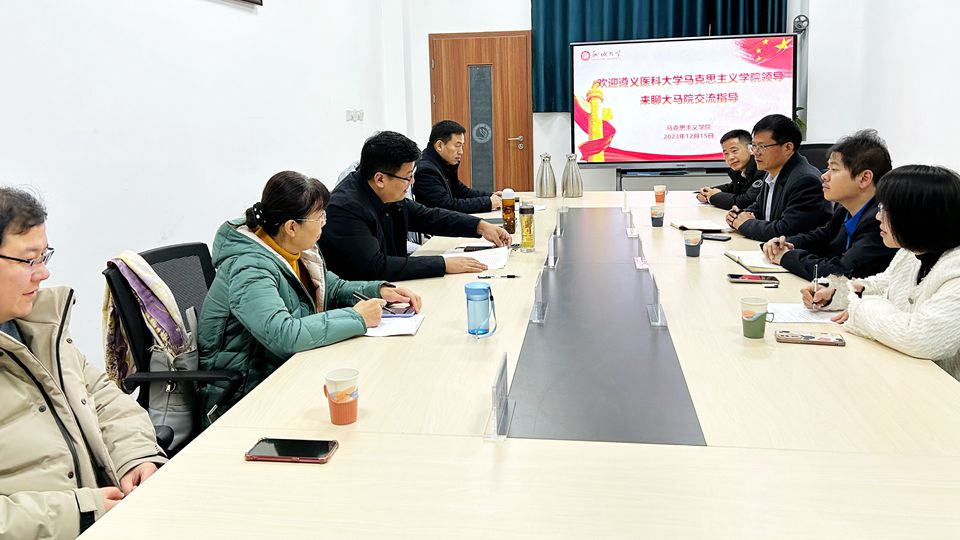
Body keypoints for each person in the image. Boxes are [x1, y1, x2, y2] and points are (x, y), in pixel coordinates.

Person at [0, 187, 166, 538]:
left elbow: (103, 398)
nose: (43, 273)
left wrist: (135, 456)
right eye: (30, 260)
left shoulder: (40, 327)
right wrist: (80, 512)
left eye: (45, 257)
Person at [198, 171, 422, 417]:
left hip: (286, 372)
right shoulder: (250, 269)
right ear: (292, 227)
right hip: (243, 396)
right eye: (320, 216)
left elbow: (332, 287)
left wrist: (379, 290)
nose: (325, 221)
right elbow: (284, 335)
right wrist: (357, 317)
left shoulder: (296, 250)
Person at [799, 165, 960, 380]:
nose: (877, 217)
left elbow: (922, 338)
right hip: (905, 373)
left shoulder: (955, 269)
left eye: (885, 210)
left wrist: (860, 307)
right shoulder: (911, 252)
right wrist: (833, 294)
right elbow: (879, 286)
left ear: (917, 216)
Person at [319, 131, 511, 281]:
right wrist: (443, 264)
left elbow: (428, 216)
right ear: (380, 179)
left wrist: (479, 226)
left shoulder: (385, 193)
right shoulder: (345, 208)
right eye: (408, 177)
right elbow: (375, 267)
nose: (412, 183)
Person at [761, 130, 898, 280]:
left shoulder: (880, 221)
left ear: (864, 178)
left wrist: (786, 257)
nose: (824, 176)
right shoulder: (845, 209)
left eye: (834, 169)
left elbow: (841, 272)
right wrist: (785, 243)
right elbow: (822, 238)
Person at [725, 114, 831, 241]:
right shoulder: (771, 172)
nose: (755, 152)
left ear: (788, 148)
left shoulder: (805, 180)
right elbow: (759, 207)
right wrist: (739, 214)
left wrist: (744, 224)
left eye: (762, 146)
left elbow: (786, 231)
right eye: (753, 145)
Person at [413, 120, 502, 213]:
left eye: (462, 146)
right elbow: (446, 206)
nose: (461, 152)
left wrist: (491, 196)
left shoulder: (443, 163)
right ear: (439, 145)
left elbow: (461, 192)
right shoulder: (426, 170)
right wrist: (488, 203)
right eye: (457, 146)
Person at [696, 129, 765, 210]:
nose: (730, 157)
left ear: (751, 149)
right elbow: (731, 188)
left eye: (734, 151)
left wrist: (713, 196)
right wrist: (707, 191)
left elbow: (745, 201)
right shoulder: (740, 172)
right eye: (726, 153)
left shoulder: (762, 169)